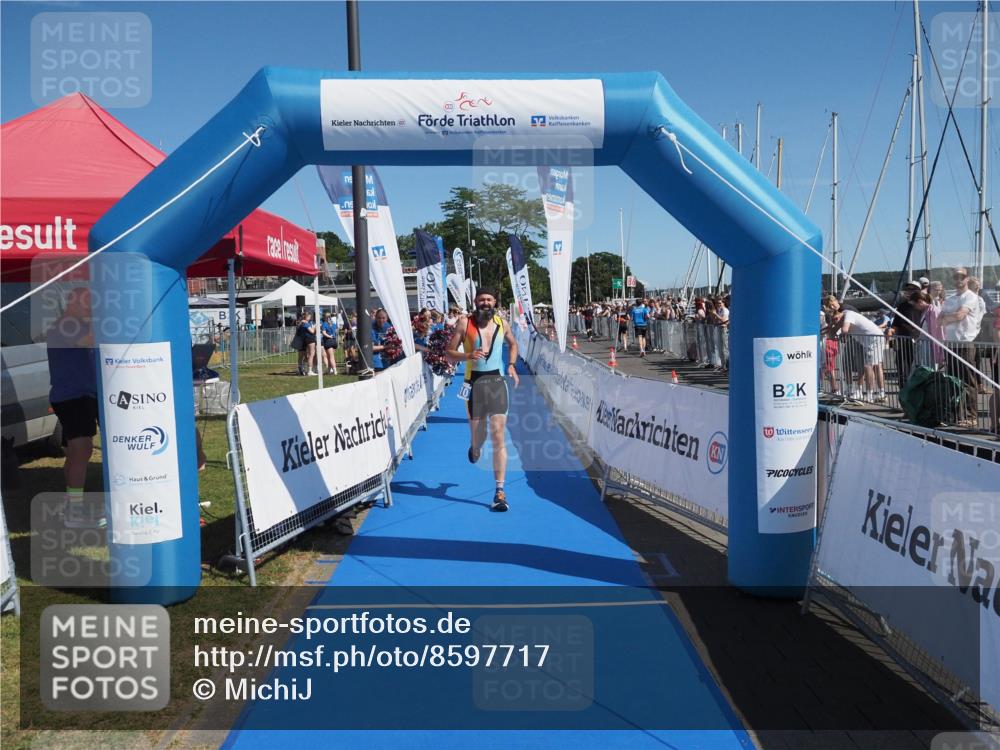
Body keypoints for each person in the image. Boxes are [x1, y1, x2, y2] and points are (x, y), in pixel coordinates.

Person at [446, 289, 520, 513]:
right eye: (481, 300)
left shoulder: (502, 323)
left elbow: (513, 345)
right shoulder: (463, 323)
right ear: (475, 302)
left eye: (489, 300)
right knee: (479, 437)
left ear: (494, 302)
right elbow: (449, 352)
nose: (485, 303)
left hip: (497, 383)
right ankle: (475, 447)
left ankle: (499, 491)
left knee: (498, 435)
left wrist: (511, 365)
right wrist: (468, 356)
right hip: (473, 383)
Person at [46, 288, 103, 528]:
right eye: (86, 302)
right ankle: (74, 511)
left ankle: (72, 505)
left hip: (83, 395)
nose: (90, 307)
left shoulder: (77, 324)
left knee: (76, 452)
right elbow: (90, 340)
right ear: (71, 302)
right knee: (82, 450)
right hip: (72, 397)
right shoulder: (66, 325)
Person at [940, 267, 982, 426]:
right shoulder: (950, 299)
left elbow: (959, 316)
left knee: (967, 381)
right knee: (953, 381)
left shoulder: (971, 297)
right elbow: (939, 319)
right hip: (951, 344)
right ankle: (958, 415)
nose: (958, 280)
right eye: (955, 277)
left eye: (962, 277)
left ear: (967, 278)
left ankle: (971, 416)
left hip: (964, 343)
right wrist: (950, 318)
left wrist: (948, 318)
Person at [833, 308, 887, 402]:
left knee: (869, 366)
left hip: (874, 339)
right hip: (869, 341)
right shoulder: (844, 316)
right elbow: (833, 332)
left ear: (839, 313)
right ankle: (880, 393)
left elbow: (845, 330)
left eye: (836, 318)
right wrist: (833, 327)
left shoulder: (848, 315)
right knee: (876, 366)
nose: (835, 321)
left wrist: (837, 328)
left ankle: (871, 395)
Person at [296, 312, 317, 376]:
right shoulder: (305, 323)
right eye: (309, 316)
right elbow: (312, 331)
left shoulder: (302, 323)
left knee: (304, 356)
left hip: (302, 340)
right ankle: (308, 370)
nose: (310, 317)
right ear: (306, 316)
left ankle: (302, 368)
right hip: (308, 339)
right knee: (310, 354)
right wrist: (315, 326)